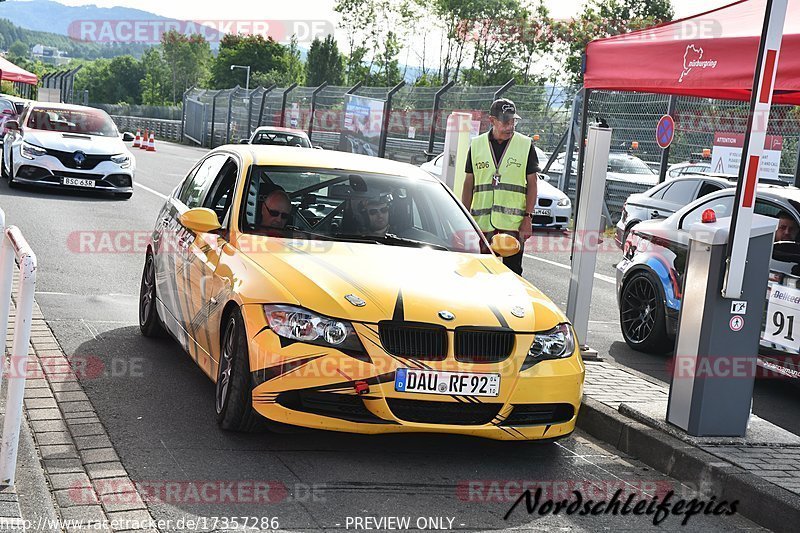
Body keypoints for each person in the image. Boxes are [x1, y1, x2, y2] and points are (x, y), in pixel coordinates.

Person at [461, 98, 539, 275]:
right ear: (492, 120)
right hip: (482, 225)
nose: (510, 126)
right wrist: (463, 217)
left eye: (513, 121)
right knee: (480, 273)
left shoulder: (525, 145)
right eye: (505, 121)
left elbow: (533, 184)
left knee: (512, 275)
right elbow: (469, 184)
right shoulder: (477, 145)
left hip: (513, 225)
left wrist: (528, 218)